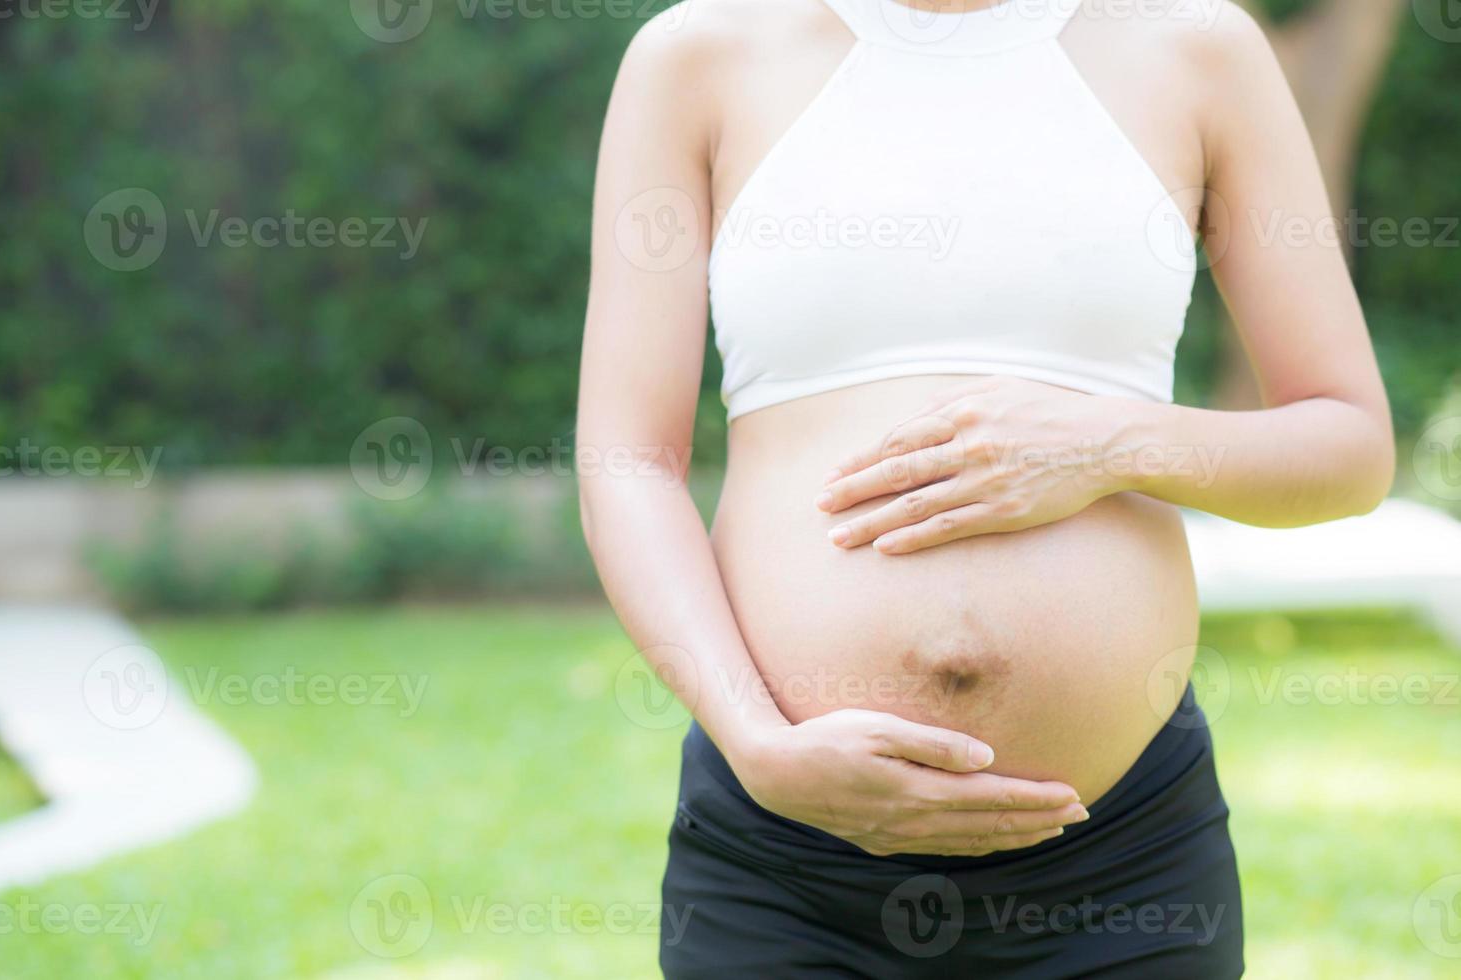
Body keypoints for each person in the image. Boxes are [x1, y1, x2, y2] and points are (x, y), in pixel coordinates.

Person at [576, 0, 1393, 974]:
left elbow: (1348, 445)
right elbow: (627, 460)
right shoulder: (698, 53)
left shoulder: (1196, 45)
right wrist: (757, 745)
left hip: (1120, 868)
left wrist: (1110, 441)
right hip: (785, 862)